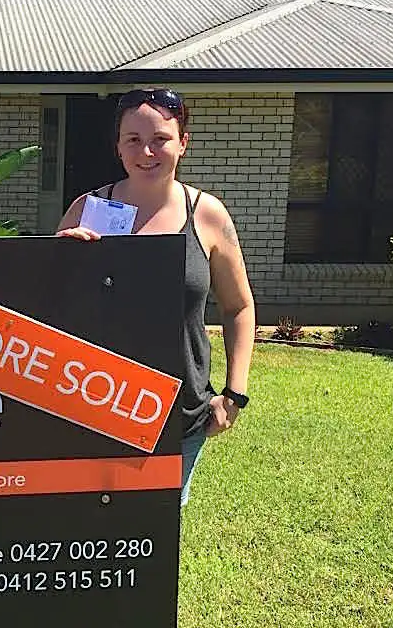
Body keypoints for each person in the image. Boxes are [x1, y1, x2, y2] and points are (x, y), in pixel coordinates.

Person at [56, 88, 255, 507]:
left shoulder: (208, 215)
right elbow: (49, 306)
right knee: (90, 531)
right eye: (133, 139)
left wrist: (234, 394)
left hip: (177, 418)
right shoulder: (87, 210)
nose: (146, 151)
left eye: (160, 139)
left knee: (155, 543)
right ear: (117, 146)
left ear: (183, 142)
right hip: (93, 409)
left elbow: (238, 307)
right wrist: (63, 261)